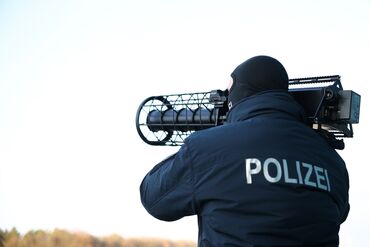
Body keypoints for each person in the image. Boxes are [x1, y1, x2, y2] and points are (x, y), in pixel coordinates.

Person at [140, 55, 350, 246]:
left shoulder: (207, 149)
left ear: (238, 95)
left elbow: (154, 199)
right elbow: (337, 214)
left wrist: (202, 145)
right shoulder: (333, 162)